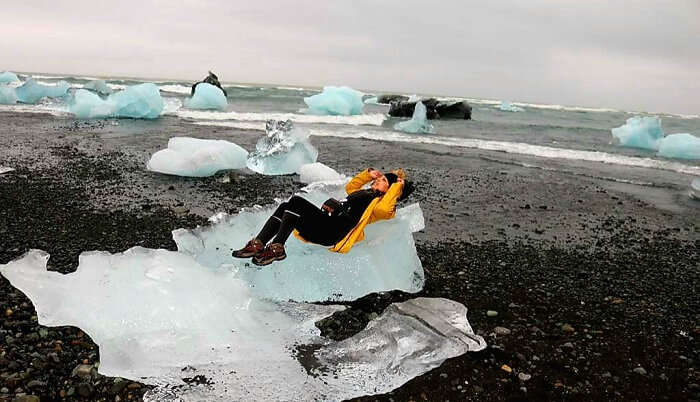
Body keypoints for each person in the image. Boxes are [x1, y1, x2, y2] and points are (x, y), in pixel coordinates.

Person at [233, 168, 414, 266]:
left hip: (332, 231)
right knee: (285, 207)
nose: (378, 180)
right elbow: (351, 186)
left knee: (295, 201)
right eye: (380, 178)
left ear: (390, 190)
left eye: (383, 181)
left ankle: (277, 248)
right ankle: (259, 244)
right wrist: (368, 175)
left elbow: (385, 209)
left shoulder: (381, 206)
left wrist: (397, 187)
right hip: (325, 222)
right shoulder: (364, 193)